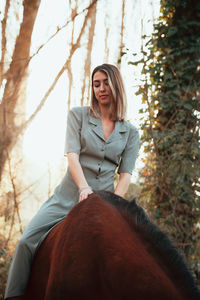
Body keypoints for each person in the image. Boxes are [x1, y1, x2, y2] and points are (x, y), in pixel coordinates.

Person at [4, 63, 140, 299]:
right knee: (26, 242)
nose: (101, 88)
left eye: (106, 82)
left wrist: (115, 204)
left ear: (116, 84)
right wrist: (84, 188)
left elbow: (125, 173)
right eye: (96, 84)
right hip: (67, 197)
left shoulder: (131, 132)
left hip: (105, 203)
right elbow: (72, 156)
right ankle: (13, 295)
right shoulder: (78, 116)